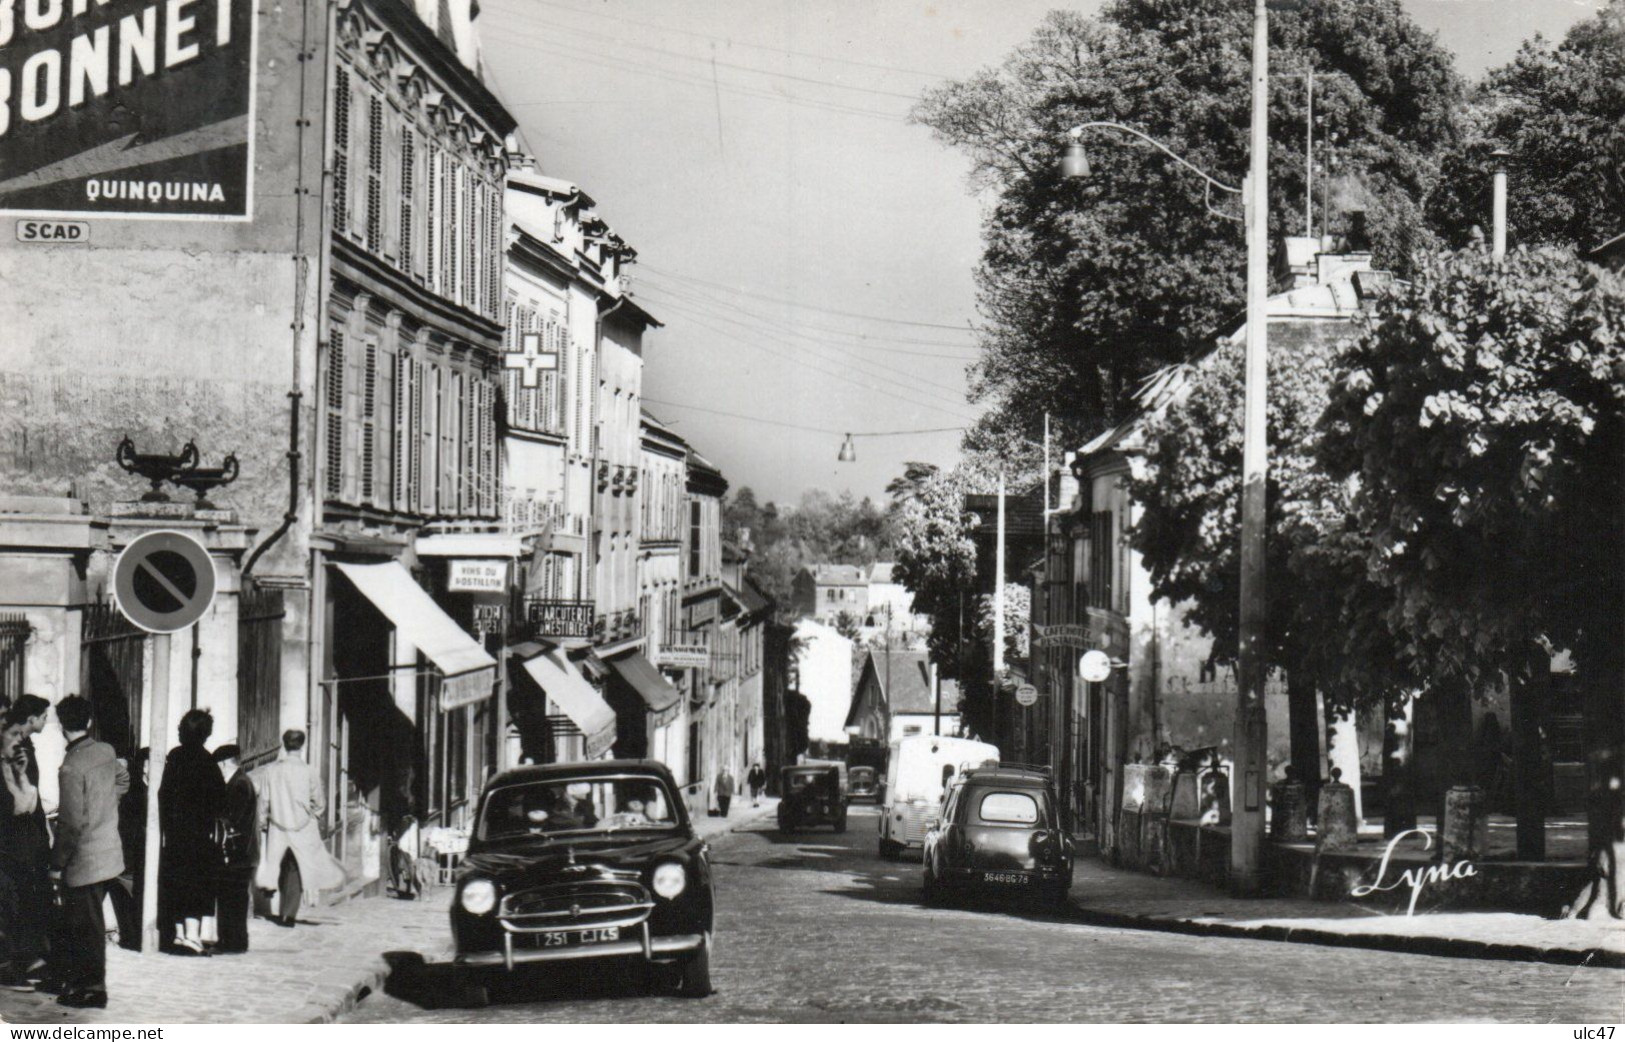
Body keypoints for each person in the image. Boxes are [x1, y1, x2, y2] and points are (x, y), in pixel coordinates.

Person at [51, 695, 128, 1010]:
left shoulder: (70, 766)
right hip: (108, 852)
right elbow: (124, 780)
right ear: (89, 721)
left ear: (60, 726)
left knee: (85, 927)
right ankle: (87, 984)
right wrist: (105, 806)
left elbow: (69, 824)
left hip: (84, 860)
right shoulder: (106, 751)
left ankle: (92, 988)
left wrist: (56, 865)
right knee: (91, 926)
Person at [254, 730, 344, 926]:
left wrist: (262, 823)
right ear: (302, 746)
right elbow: (319, 802)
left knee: (281, 865)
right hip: (302, 829)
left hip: (277, 827)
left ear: (284, 745)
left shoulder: (271, 771)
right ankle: (289, 913)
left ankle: (284, 910)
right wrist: (312, 816)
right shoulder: (309, 771)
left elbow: (264, 802)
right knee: (295, 868)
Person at [157, 709, 224, 954]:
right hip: (199, 835)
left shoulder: (174, 758)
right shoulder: (208, 763)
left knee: (176, 881)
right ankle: (193, 936)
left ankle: (180, 935)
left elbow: (163, 794)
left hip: (175, 833)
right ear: (206, 734)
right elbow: (220, 801)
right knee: (197, 884)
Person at [0, 708, 53, 988]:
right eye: (13, 734)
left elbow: (28, 806)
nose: (18, 740)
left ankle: (21, 962)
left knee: (15, 904)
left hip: (12, 847)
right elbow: (16, 807)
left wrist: (21, 776)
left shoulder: (11, 764)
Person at [212, 744, 258, 954]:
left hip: (238, 853)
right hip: (239, 853)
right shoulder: (239, 781)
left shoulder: (239, 784)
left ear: (223, 764)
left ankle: (233, 942)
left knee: (233, 898)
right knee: (230, 896)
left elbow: (233, 819)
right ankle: (232, 940)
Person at [109, 748, 148, 951]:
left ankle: (129, 935)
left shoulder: (133, 792)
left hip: (130, 853)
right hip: (123, 851)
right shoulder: (129, 792)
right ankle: (127, 934)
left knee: (128, 894)